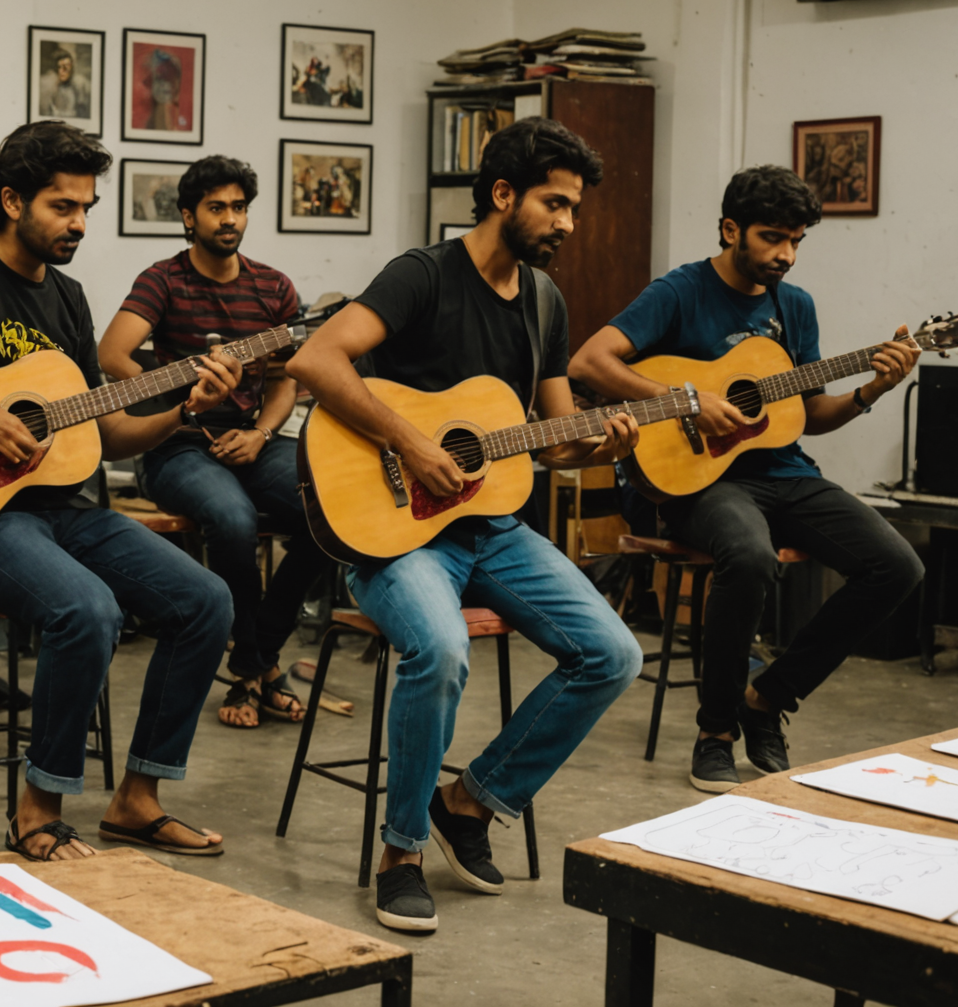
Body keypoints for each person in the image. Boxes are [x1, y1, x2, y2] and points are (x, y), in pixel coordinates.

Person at [288, 118, 644, 932]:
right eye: (555, 204)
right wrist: (412, 442)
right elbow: (315, 360)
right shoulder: (423, 275)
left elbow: (552, 440)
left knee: (612, 653)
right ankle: (402, 851)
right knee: (441, 649)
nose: (567, 224)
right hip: (394, 526)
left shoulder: (545, 301)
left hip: (492, 526)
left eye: (575, 210)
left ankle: (471, 802)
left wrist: (598, 438)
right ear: (502, 194)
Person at [0, 120, 240, 863]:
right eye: (64, 207)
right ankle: (37, 810)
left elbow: (105, 435)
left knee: (207, 601)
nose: (80, 224)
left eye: (87, 207)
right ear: (11, 200)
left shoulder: (67, 298)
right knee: (86, 608)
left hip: (62, 508)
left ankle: (138, 798)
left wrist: (182, 409)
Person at [569, 164, 924, 794]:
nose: (785, 255)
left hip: (783, 473)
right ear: (731, 229)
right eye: (771, 238)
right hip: (699, 480)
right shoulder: (679, 292)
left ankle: (766, 700)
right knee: (751, 555)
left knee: (898, 566)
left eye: (796, 241)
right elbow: (589, 361)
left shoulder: (796, 308)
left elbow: (809, 417)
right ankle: (715, 732)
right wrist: (684, 399)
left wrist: (873, 388)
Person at [96, 155, 342, 731]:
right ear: (188, 217)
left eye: (238, 208)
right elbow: (112, 355)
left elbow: (287, 377)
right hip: (177, 446)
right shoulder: (164, 279)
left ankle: (255, 659)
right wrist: (174, 405)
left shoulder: (274, 288)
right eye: (216, 208)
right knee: (230, 518)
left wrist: (259, 434)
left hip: (250, 439)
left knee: (330, 508)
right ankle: (259, 668)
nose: (229, 219)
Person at [38, 49, 91, 119]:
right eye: (60, 67)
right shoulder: (49, 87)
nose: (64, 70)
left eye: (67, 66)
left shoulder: (81, 84)